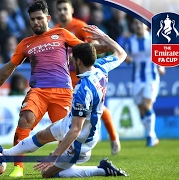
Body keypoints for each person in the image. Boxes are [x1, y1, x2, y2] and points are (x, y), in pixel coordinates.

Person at [0, 1, 109, 177]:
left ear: (48, 18)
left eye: (39, 18)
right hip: (38, 91)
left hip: (63, 92)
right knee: (25, 119)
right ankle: (18, 168)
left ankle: (68, 166)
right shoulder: (25, 44)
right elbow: (9, 67)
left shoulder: (61, 33)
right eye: (32, 19)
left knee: (67, 134)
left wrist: (106, 45)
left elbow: (85, 49)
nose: (36, 22)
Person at [54, 0, 120, 155]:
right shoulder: (55, 31)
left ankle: (113, 136)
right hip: (66, 79)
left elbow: (94, 46)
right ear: (57, 13)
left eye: (65, 8)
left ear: (71, 10)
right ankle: (63, 150)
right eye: (60, 9)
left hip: (84, 76)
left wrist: (80, 50)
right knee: (66, 116)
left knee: (99, 108)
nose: (62, 12)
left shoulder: (80, 26)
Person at [122, 18, 165, 146]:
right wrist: (127, 59)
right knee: (141, 109)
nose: (138, 25)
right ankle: (152, 136)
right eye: (135, 23)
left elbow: (161, 55)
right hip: (136, 79)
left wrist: (161, 66)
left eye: (141, 23)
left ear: (146, 26)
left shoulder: (154, 39)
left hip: (151, 77)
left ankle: (151, 136)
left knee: (147, 106)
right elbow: (126, 57)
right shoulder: (129, 42)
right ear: (133, 26)